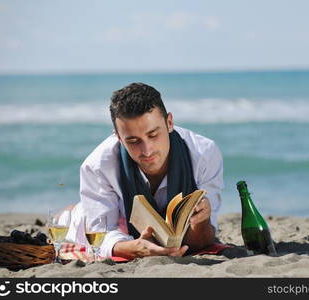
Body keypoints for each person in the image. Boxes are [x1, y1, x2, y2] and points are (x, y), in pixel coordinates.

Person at [67, 82, 223, 259]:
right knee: (71, 218)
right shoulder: (97, 167)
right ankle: (71, 211)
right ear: (118, 137)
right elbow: (101, 236)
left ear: (169, 122)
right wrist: (134, 247)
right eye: (133, 141)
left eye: (153, 135)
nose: (147, 151)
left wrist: (202, 219)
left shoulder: (205, 154)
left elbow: (206, 238)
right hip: (110, 220)